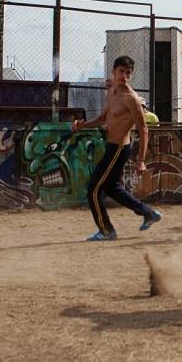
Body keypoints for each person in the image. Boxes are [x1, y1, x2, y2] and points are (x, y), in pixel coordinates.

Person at [72, 55, 162, 240]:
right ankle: (148, 213)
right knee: (112, 187)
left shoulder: (132, 99)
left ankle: (107, 231)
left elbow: (144, 130)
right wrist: (82, 125)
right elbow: (102, 119)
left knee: (93, 189)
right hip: (111, 147)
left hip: (119, 149)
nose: (124, 76)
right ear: (113, 71)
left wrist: (141, 161)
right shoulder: (112, 92)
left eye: (128, 73)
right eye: (121, 71)